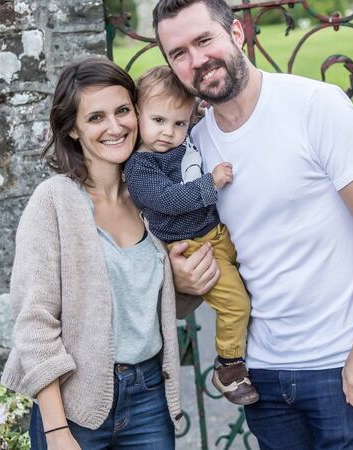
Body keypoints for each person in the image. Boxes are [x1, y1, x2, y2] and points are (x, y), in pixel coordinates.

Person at [152, 0, 353, 448]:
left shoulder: (314, 106)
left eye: (203, 40)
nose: (196, 60)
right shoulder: (190, 145)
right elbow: (197, 262)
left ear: (236, 33)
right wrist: (182, 279)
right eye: (179, 53)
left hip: (343, 363)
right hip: (263, 375)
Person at [0, 57, 183, 450]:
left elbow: (151, 306)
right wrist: (56, 430)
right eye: (96, 117)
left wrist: (189, 285)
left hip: (150, 395)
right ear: (72, 130)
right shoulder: (54, 202)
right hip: (74, 405)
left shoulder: (154, 200)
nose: (115, 127)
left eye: (122, 111)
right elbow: (35, 323)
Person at [123, 66, 258, 406]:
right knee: (235, 304)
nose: (168, 132)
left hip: (219, 234)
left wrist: (198, 113)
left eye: (178, 123)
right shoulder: (140, 167)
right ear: (138, 115)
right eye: (158, 121)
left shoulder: (181, 138)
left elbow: (194, 119)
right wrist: (209, 184)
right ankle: (229, 368)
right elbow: (166, 200)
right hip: (196, 247)